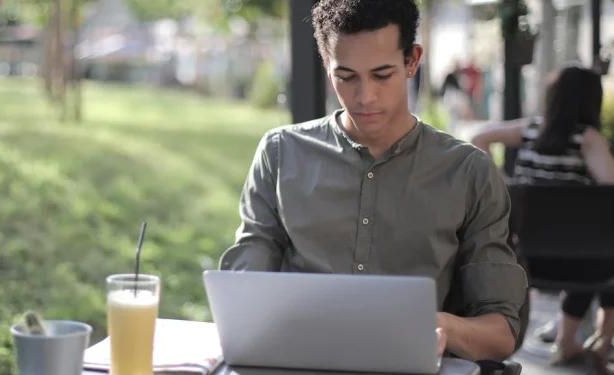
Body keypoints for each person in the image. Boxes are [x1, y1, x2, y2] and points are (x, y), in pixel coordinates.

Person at [220, 0, 527, 363]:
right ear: (326, 64)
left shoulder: (468, 172)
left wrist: (435, 325)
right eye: (346, 77)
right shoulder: (280, 153)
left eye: (382, 75)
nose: (365, 97)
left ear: (412, 60)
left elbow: (501, 332)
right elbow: (243, 297)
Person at [470, 66, 614, 375]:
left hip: (527, 260)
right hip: (584, 263)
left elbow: (479, 137)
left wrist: (502, 183)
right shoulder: (587, 139)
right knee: (606, 251)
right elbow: (610, 186)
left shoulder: (530, 130)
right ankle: (594, 341)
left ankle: (571, 342)